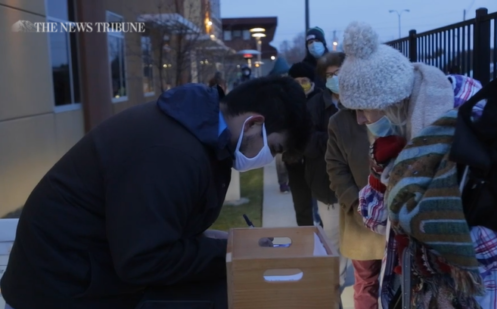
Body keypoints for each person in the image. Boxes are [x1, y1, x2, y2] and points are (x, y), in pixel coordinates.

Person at [1, 76, 310, 309]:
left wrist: (220, 241)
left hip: (88, 270)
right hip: (60, 289)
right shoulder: (172, 151)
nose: (269, 158)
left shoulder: (196, 134)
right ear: (255, 122)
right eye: (273, 148)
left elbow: (154, 227)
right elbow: (144, 259)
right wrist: (233, 252)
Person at [338, 21, 497, 308]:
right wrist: (377, 177)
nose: (360, 120)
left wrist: (446, 254)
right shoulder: (399, 134)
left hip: (495, 293)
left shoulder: (480, 121)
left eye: (361, 109)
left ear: (390, 100)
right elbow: (376, 221)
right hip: (424, 296)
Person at [322, 52, 386, 309]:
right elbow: (335, 168)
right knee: (366, 282)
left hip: (399, 217)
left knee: (405, 282)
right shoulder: (339, 122)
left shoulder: (395, 114)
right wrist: (357, 203)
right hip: (362, 217)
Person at [298, 54, 349, 299]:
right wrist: (338, 138)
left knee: (355, 239)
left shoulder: (359, 100)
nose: (334, 79)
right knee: (333, 237)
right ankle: (333, 287)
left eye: (338, 72)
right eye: (329, 75)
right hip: (326, 184)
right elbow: (306, 143)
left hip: (359, 184)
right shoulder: (316, 105)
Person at [284, 61, 322, 226]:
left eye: (304, 81)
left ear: (311, 82)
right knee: (302, 210)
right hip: (295, 164)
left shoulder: (321, 101)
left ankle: (326, 246)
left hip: (320, 163)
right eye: (296, 82)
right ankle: (308, 247)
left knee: (323, 210)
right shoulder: (286, 104)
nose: (300, 85)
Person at [267, 56, 292, 193]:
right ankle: (283, 182)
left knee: (287, 157)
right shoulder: (272, 92)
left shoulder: (291, 89)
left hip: (289, 127)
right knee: (280, 158)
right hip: (278, 128)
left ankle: (288, 181)